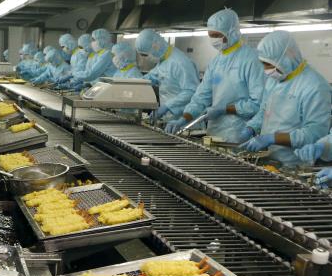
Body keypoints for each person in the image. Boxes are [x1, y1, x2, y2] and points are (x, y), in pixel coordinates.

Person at [165, 9, 265, 141]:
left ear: (232, 32)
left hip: (240, 133)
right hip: (214, 134)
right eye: (211, 35)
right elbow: (201, 97)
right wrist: (184, 119)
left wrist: (226, 109)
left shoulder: (252, 59)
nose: (214, 39)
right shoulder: (216, 62)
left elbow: (258, 103)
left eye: (217, 35)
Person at [240, 31, 331, 167]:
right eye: (263, 63)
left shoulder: (314, 86)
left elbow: (315, 132)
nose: (265, 69)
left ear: (285, 58)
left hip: (294, 164)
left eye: (268, 64)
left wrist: (273, 138)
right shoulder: (275, 79)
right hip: (268, 159)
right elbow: (265, 111)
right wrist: (252, 127)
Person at [135, 28, 199, 124]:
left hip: (186, 122)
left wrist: (168, 106)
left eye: (145, 55)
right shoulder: (163, 60)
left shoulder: (180, 63)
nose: (145, 58)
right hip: (170, 119)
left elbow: (191, 91)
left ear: (155, 46)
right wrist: (137, 83)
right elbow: (154, 75)